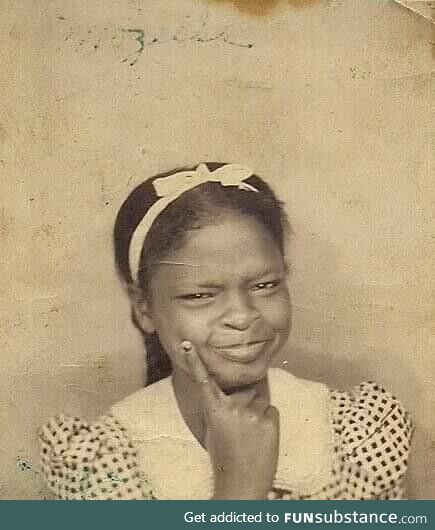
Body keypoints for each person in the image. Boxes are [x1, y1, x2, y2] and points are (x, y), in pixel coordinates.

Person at [38, 162, 414, 500]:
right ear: (144, 308)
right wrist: (239, 490)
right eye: (200, 295)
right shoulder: (104, 461)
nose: (242, 316)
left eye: (265, 285)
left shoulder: (354, 434)